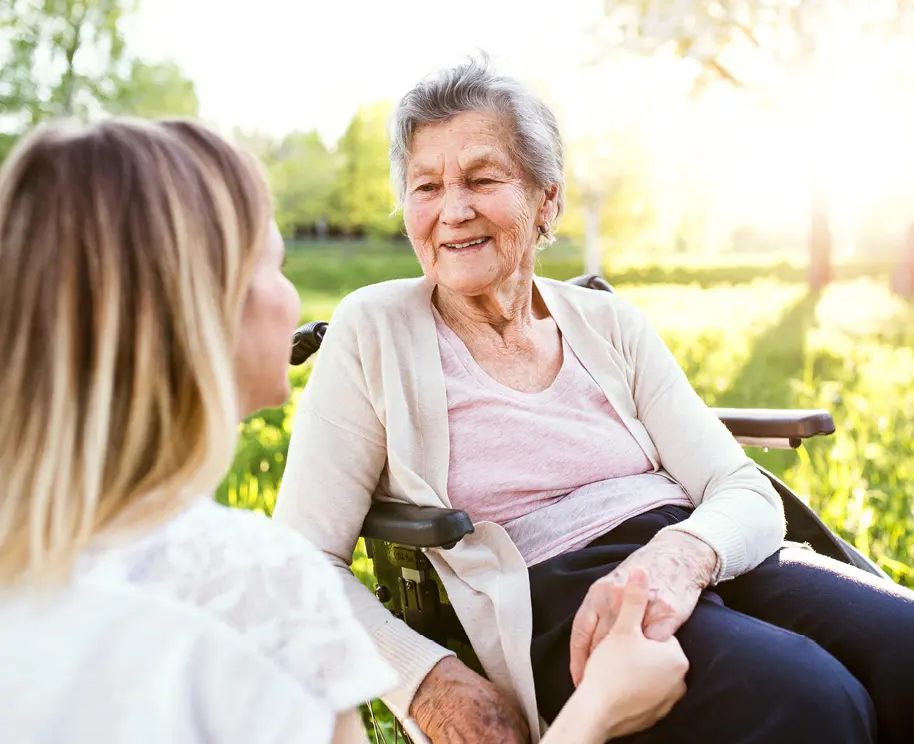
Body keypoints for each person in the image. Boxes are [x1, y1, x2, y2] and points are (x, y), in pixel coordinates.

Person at [274, 56, 914, 744]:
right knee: (810, 700)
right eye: (426, 186)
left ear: (548, 201)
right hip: (558, 598)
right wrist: (424, 681)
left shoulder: (609, 323)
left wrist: (679, 558)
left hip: (693, 547)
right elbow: (299, 561)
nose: (454, 210)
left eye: (483, 179)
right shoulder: (375, 328)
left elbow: (740, 488)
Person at [0, 117, 688, 744]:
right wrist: (600, 712)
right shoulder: (260, 586)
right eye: (274, 264)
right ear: (200, 312)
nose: (294, 301)